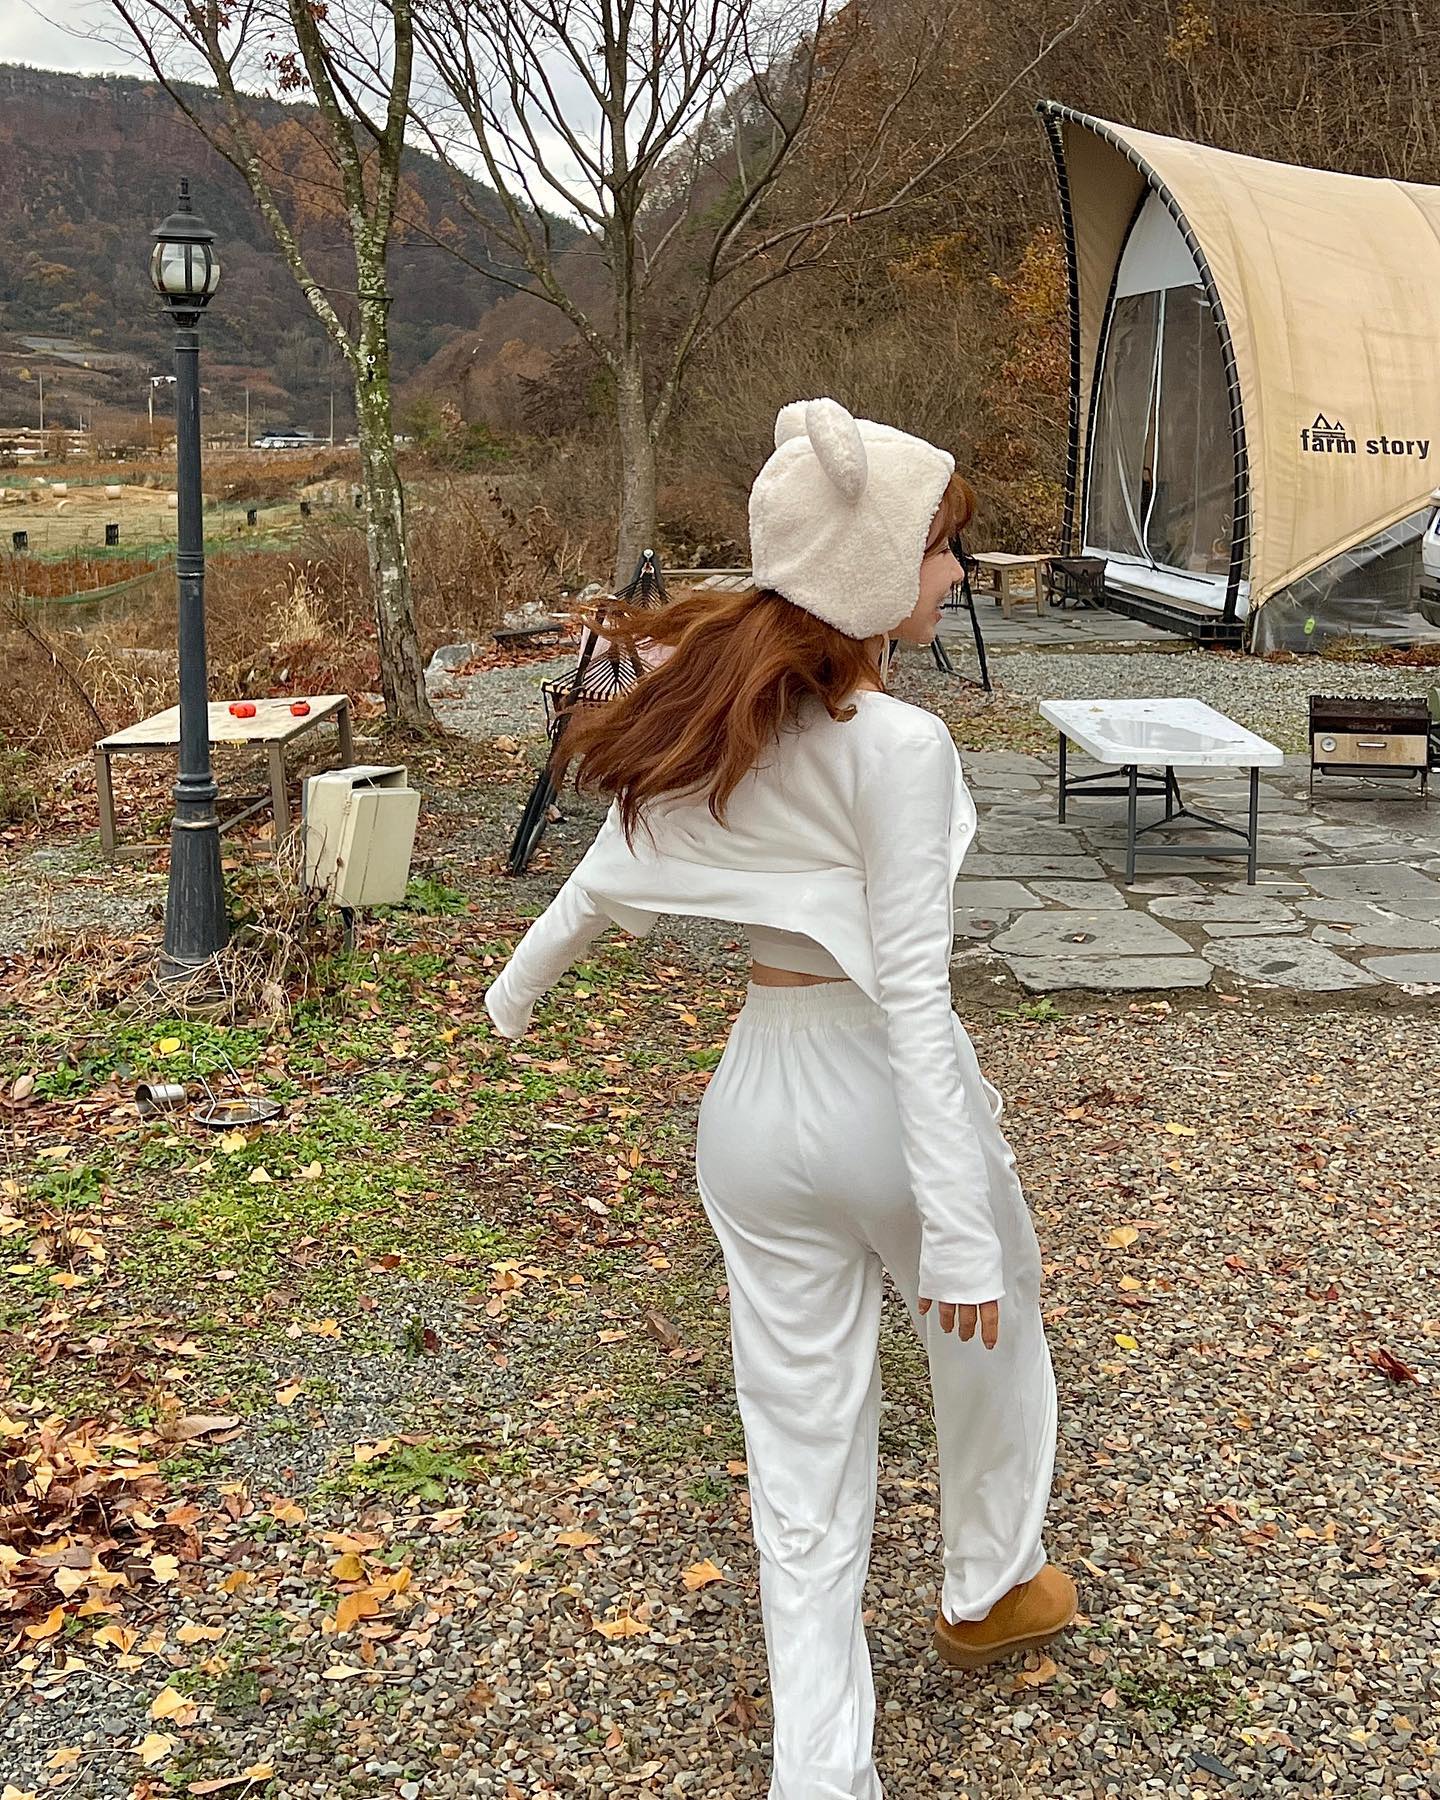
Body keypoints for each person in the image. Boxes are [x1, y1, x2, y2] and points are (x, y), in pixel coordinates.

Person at [484, 398, 1075, 1800]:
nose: (954, 575)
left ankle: (822, 1773)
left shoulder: (711, 718)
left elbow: (598, 881)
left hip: (753, 1106)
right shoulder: (897, 746)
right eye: (939, 550)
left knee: (800, 1443)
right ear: (872, 571)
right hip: (883, 1094)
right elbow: (915, 997)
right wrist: (959, 1228)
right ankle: (988, 1582)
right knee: (995, 1331)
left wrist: (514, 995)